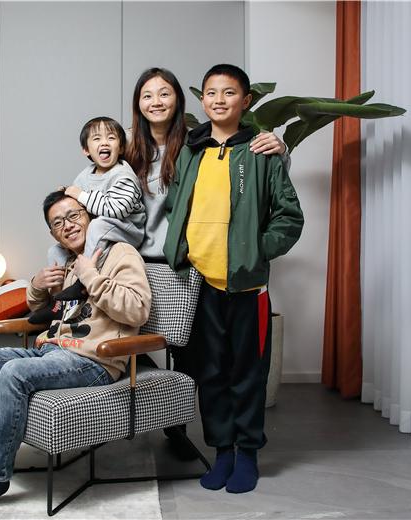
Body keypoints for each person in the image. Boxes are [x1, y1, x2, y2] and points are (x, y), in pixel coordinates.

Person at [0, 190, 151, 515]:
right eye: (57, 223)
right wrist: (37, 286)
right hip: (51, 351)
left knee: (14, 373)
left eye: (74, 215)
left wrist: (91, 276)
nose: (68, 225)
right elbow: (46, 311)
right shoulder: (68, 263)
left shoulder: (120, 252)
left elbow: (137, 310)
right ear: (53, 234)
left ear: (90, 217)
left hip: (93, 360)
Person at [163, 64, 304, 494]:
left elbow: (289, 217)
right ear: (202, 100)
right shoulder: (191, 151)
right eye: (211, 92)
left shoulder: (261, 151)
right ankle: (223, 450)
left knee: (247, 373)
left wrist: (256, 250)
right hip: (199, 284)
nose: (219, 100)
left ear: (246, 101)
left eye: (229, 92)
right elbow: (175, 205)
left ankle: (248, 454)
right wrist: (181, 249)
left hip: (247, 287)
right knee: (210, 372)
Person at [125, 67, 289, 262]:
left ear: (178, 100)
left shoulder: (196, 143)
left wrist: (281, 149)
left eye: (164, 94)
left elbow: (263, 181)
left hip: (183, 260)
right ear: (137, 103)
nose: (156, 102)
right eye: (147, 96)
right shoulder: (122, 144)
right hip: (130, 258)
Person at [29, 117, 146, 324]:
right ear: (86, 150)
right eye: (97, 138)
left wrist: (80, 195)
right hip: (101, 229)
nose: (104, 142)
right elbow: (76, 203)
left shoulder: (124, 175)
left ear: (120, 148)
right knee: (54, 251)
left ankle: (81, 283)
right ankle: (58, 302)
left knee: (98, 224)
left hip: (127, 227)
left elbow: (117, 209)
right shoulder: (86, 175)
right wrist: (66, 192)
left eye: (111, 138)